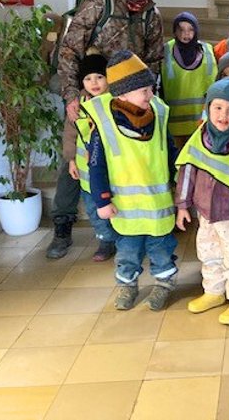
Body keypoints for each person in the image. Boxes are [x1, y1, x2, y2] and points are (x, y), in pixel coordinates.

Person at [47, 0, 164, 259]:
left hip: (129, 101)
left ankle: (120, 233)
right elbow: (70, 50)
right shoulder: (99, 3)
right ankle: (62, 224)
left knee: (123, 162)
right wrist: (72, 96)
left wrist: (146, 96)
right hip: (92, 95)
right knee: (76, 158)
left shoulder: (151, 12)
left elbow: (154, 60)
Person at [82, 50, 178, 311]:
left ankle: (163, 284)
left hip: (158, 206)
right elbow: (96, 166)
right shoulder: (104, 124)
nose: (150, 95)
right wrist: (102, 200)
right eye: (143, 91)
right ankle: (127, 285)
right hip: (125, 209)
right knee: (128, 253)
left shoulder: (157, 113)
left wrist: (180, 184)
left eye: (151, 88)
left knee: (161, 249)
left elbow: (170, 152)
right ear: (122, 94)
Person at [174, 78, 229, 326]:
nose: (223, 115)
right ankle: (214, 292)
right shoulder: (200, 136)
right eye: (217, 107)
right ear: (208, 107)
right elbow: (187, 171)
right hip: (206, 213)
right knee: (209, 254)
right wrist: (182, 205)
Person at [67, 54, 118, 262]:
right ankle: (105, 240)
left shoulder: (115, 101)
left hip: (110, 171)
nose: (94, 83)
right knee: (92, 208)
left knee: (114, 205)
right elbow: (70, 133)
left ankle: (121, 238)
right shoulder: (78, 104)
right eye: (88, 79)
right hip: (86, 172)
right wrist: (71, 159)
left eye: (99, 77)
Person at [160, 11, 217, 149]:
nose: (186, 34)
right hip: (173, 128)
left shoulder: (208, 51)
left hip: (201, 125)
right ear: (174, 31)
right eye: (181, 29)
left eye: (190, 29)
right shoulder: (165, 51)